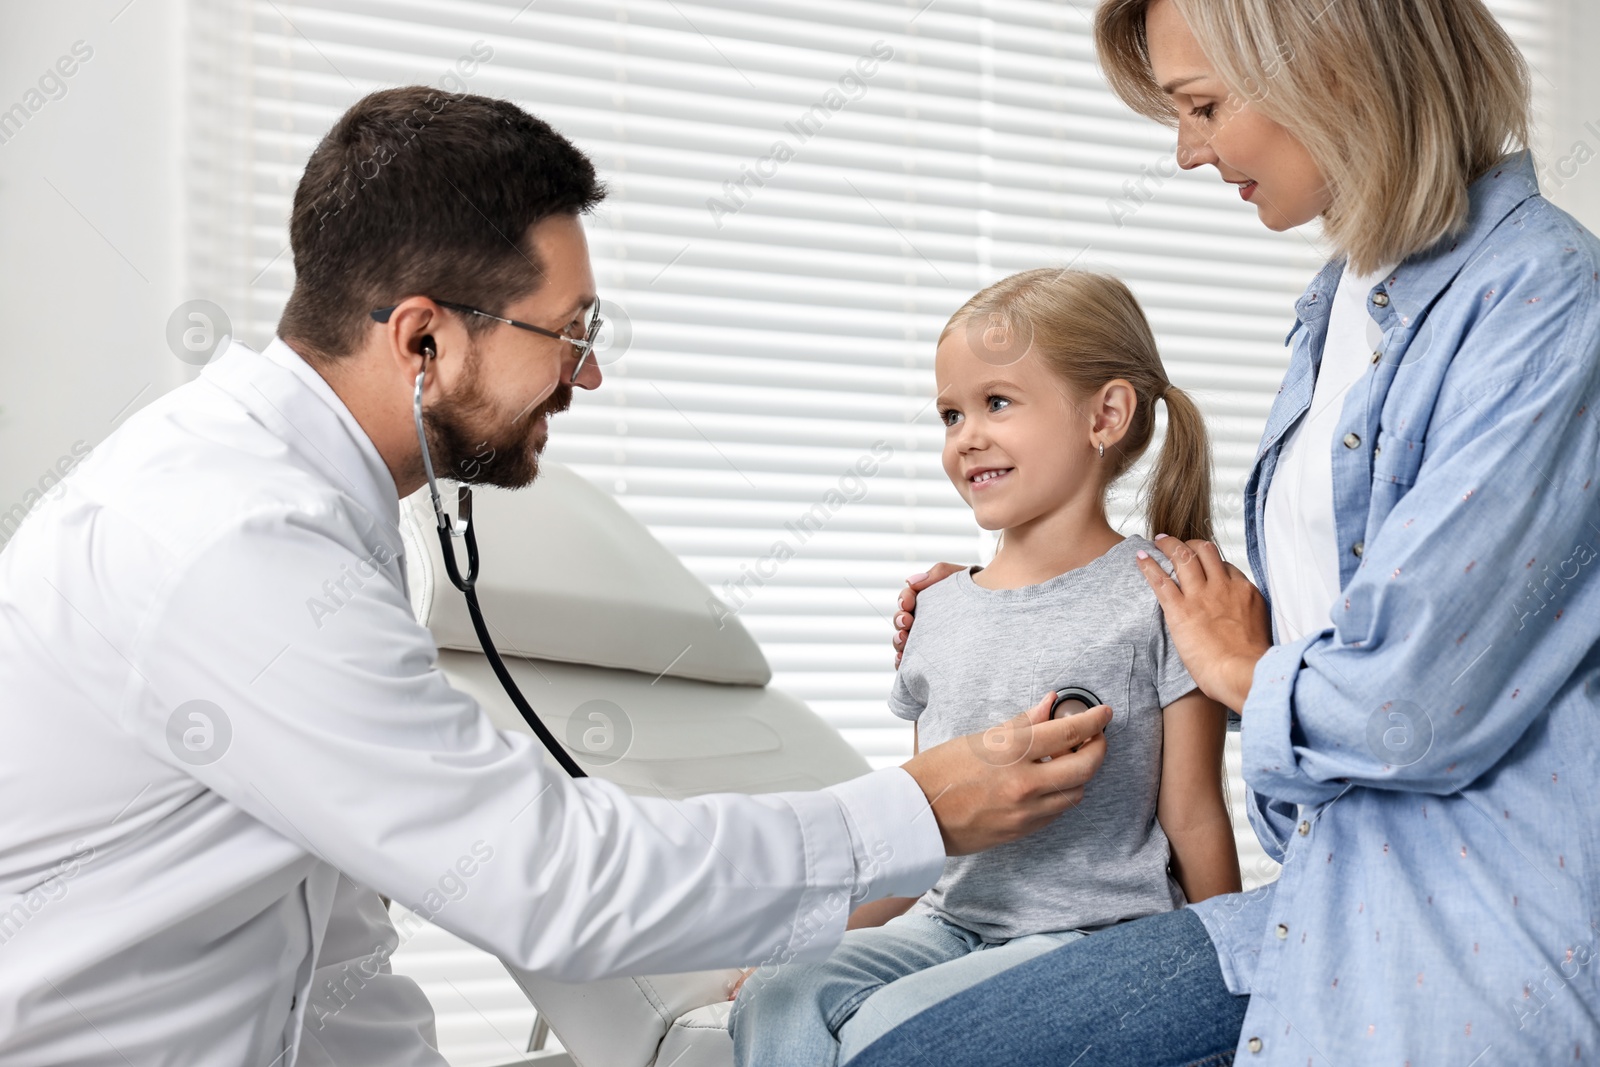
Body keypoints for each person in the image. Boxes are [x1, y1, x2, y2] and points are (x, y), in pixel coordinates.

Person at [0, 87, 1118, 1066]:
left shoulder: (305, 509)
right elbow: (552, 878)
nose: (585, 370)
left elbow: (333, 945)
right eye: (569, 331)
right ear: (423, 341)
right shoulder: (233, 541)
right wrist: (919, 806)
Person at [860, 0, 1600, 1063]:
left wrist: (1246, 669)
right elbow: (1351, 598)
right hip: (1322, 882)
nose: (1185, 153)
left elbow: (1403, 699)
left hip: (1469, 911)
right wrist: (1009, 606)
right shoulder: (1341, 306)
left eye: (1201, 106)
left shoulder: (1539, 298)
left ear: (1332, 66)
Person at [727, 268, 1241, 1066]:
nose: (965, 435)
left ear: (1105, 414)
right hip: (949, 921)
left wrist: (1238, 972)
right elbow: (926, 813)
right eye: (950, 413)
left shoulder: (1163, 598)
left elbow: (1195, 814)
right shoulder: (939, 609)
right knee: (779, 993)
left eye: (997, 403)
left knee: (886, 1028)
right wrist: (807, 941)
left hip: (1092, 937)